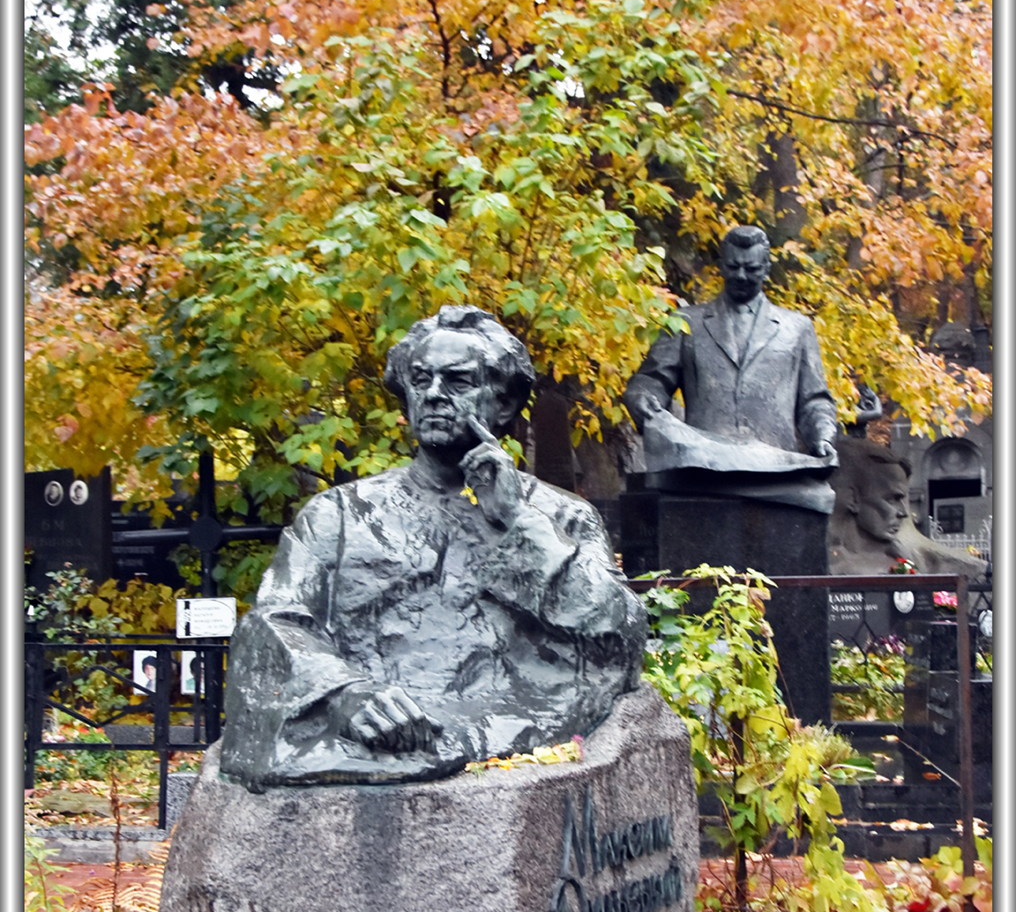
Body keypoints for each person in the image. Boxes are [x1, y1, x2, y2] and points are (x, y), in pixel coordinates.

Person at [219, 305, 647, 789]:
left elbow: (619, 639)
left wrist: (517, 521)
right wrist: (344, 695)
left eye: (458, 381)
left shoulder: (560, 515)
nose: (434, 394)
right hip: (369, 728)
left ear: (504, 404)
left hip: (501, 727)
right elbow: (274, 624)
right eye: (421, 380)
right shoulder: (338, 514)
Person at [623, 225, 839, 510]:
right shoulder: (686, 322)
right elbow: (650, 382)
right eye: (733, 266)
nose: (741, 275)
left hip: (776, 475)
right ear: (721, 266)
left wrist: (822, 436)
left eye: (751, 268)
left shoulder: (797, 328)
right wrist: (643, 401)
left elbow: (814, 400)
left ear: (766, 269)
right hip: (703, 473)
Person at [828, 439, 985, 576]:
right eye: (892, 499)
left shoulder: (907, 558)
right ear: (853, 498)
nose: (903, 513)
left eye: (903, 500)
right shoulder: (830, 561)